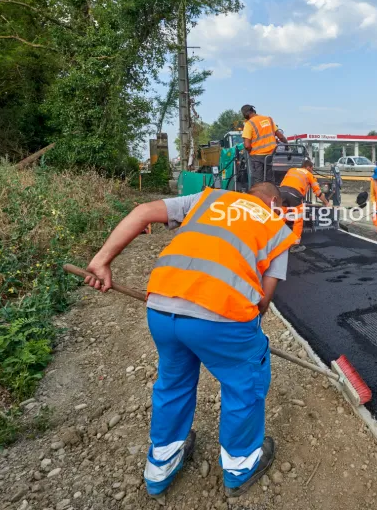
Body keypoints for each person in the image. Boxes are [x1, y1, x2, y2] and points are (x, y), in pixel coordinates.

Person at [83, 183, 297, 498]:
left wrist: (101, 261)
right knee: (245, 383)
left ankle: (161, 466)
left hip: (161, 307)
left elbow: (143, 213)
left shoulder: (209, 198)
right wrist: (244, 341)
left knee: (173, 383)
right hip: (221, 318)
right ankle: (241, 466)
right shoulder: (276, 226)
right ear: (274, 201)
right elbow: (262, 302)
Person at [279, 158, 330, 251]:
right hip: (295, 194)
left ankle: (275, 240)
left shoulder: (292, 170)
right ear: (308, 167)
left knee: (282, 217)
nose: (312, 171)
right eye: (312, 168)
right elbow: (318, 192)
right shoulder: (309, 174)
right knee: (298, 219)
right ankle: (294, 245)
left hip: (281, 192)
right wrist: (326, 203)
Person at [241, 105, 288, 184]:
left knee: (258, 181)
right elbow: (280, 136)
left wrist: (249, 152)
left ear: (245, 114)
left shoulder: (249, 124)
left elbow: (247, 145)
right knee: (270, 180)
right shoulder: (268, 119)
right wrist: (287, 145)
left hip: (256, 157)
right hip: (270, 155)